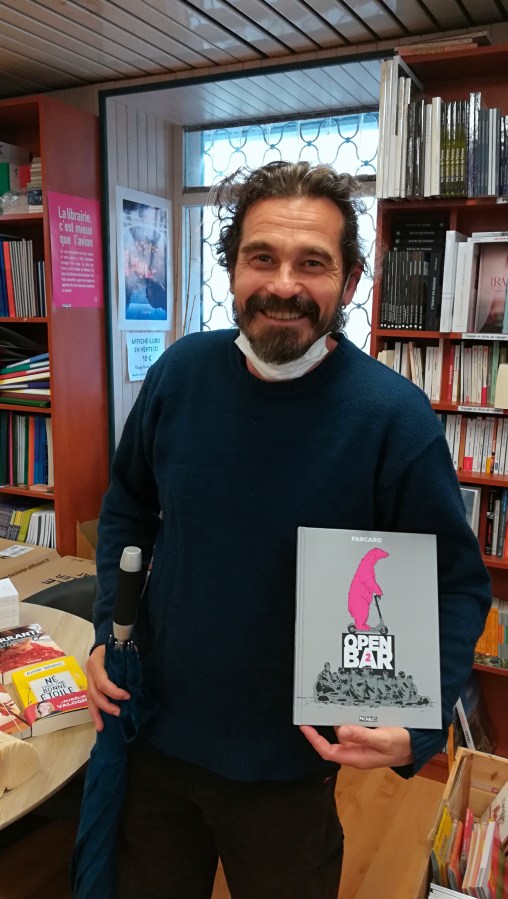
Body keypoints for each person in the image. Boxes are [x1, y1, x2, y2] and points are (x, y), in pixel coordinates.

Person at [87, 160, 491, 899]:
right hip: (154, 734)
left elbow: (455, 584)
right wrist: (106, 633)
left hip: (291, 766)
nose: (283, 285)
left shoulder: (391, 418)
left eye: (312, 263)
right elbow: (128, 509)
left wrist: (421, 721)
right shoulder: (179, 375)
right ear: (232, 268)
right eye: (262, 257)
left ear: (351, 280)